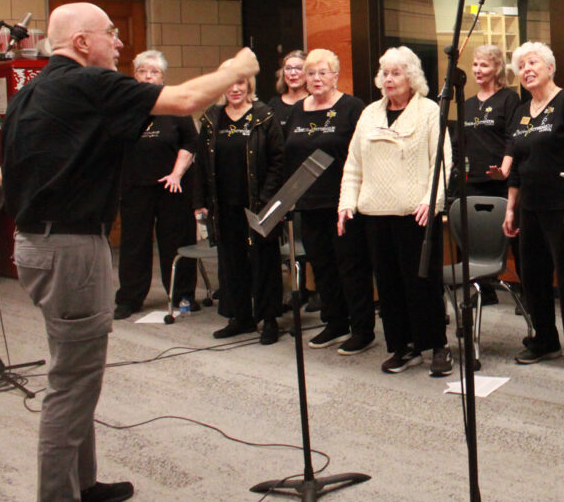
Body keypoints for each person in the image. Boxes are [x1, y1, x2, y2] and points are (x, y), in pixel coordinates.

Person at [1, 1, 259, 502]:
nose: (120, 43)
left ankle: (83, 483)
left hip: (36, 244)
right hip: (70, 248)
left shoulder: (31, 90)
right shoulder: (89, 85)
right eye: (111, 33)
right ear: (81, 42)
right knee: (71, 384)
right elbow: (185, 99)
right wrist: (236, 68)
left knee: (73, 370)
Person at [338, 46, 453, 376]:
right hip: (374, 213)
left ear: (412, 77)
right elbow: (353, 164)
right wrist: (347, 202)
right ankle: (402, 347)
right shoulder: (369, 113)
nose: (389, 79)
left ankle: (437, 346)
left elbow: (441, 162)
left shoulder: (429, 111)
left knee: (422, 284)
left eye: (396, 73)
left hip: (414, 214)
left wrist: (433, 201)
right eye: (385, 73)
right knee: (387, 286)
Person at [503, 41, 564, 375]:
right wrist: (510, 208)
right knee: (532, 278)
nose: (527, 70)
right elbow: (516, 162)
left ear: (549, 67)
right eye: (521, 66)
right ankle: (545, 339)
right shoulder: (520, 110)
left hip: (563, 206)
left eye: (533, 63)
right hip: (529, 208)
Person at [283, 49, 373, 354]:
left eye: (323, 72)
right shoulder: (297, 110)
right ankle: (335, 323)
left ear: (335, 75)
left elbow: (362, 155)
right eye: (311, 73)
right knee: (322, 267)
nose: (316, 78)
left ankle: (362, 328)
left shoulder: (352, 108)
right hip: (308, 203)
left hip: (343, 203)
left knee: (351, 266)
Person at [195, 76, 285, 345]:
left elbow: (278, 161)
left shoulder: (263, 116)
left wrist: (265, 199)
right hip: (224, 205)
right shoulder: (212, 118)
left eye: (240, 84)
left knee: (265, 262)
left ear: (249, 87)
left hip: (259, 204)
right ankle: (241, 318)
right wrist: (199, 200)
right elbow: (201, 161)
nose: (234, 89)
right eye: (229, 85)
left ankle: (269, 319)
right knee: (231, 262)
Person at [113, 50, 199, 320]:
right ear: (134, 75)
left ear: (163, 78)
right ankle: (130, 298)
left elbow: (190, 142)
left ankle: (182, 295)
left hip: (171, 186)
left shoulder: (175, 107)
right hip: (135, 185)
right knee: (134, 243)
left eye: (154, 72)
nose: (148, 77)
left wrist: (176, 173)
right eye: (142, 71)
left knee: (176, 241)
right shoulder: (124, 108)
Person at [459, 44, 521, 307]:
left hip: (503, 181)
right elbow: (458, 143)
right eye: (475, 65)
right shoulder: (467, 104)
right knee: (475, 237)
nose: (478, 70)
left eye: (484, 65)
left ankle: (526, 292)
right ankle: (484, 290)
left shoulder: (509, 99)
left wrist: (505, 169)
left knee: (514, 236)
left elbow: (513, 138)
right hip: (473, 181)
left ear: (497, 68)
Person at [267, 50, 308, 130]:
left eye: (299, 68)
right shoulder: (273, 104)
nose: (293, 73)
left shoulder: (315, 101)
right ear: (283, 73)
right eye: (288, 68)